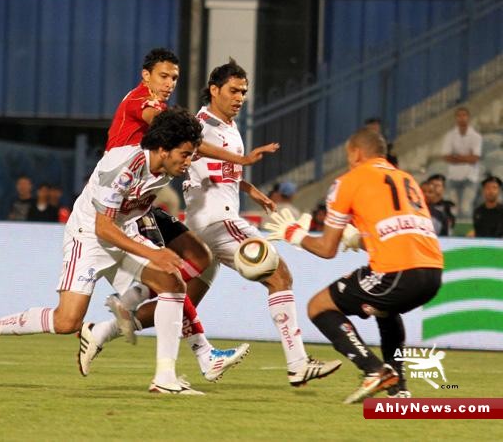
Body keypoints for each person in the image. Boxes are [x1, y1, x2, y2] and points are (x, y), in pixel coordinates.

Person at [0, 107, 206, 394]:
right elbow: (103, 228)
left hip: (123, 232)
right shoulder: (123, 170)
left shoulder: (165, 166)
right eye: (185, 154)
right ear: (163, 149)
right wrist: (153, 253)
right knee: (66, 321)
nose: (189, 161)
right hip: (89, 237)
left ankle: (165, 378)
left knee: (172, 283)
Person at [79, 48, 276, 380]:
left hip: (143, 197)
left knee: (197, 258)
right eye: (164, 76)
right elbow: (178, 137)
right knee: (172, 274)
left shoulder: (160, 107)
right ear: (146, 76)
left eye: (174, 78)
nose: (169, 83)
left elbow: (186, 144)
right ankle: (196, 354)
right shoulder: (141, 103)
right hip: (122, 199)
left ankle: (125, 309)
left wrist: (244, 181)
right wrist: (238, 160)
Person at [178, 59, 341, 386]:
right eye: (233, 91)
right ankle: (298, 362)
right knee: (280, 275)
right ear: (214, 89)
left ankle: (104, 331)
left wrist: (253, 190)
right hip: (218, 219)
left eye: (244, 92)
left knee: (181, 299)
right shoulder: (200, 126)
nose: (240, 98)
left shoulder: (228, 126)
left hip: (205, 225)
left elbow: (225, 173)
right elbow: (198, 160)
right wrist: (243, 161)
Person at [265, 128, 443, 403]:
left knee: (319, 306)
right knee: (385, 310)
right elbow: (404, 231)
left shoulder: (349, 181)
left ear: (357, 153)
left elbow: (326, 249)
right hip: (432, 272)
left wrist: (294, 234)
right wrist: (361, 239)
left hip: (397, 272)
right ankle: (398, 388)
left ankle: (373, 370)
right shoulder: (406, 178)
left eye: (349, 156)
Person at [441, 107, 482, 220]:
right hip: (453, 177)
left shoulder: (476, 136)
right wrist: (467, 157)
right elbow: (446, 157)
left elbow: (475, 158)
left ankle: (466, 235)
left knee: (466, 208)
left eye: (464, 115)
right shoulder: (450, 136)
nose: (462, 118)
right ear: (456, 118)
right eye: (459, 116)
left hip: (470, 177)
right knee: (453, 208)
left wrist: (456, 157)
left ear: (468, 118)